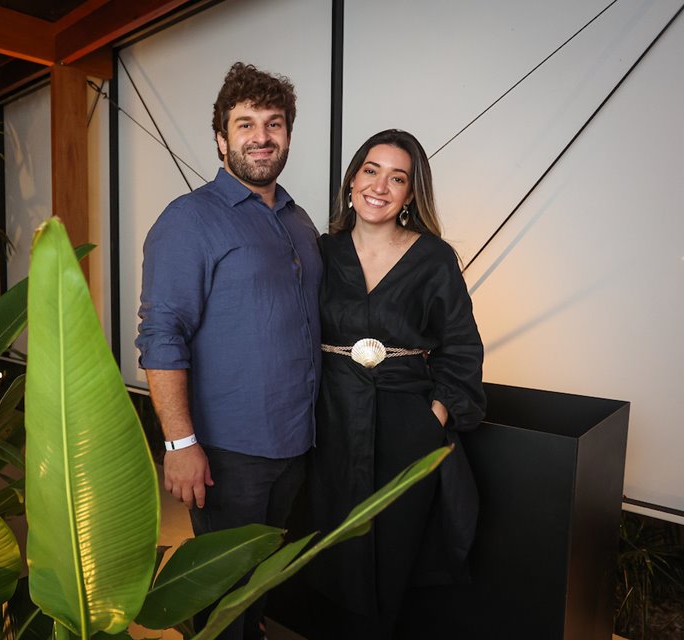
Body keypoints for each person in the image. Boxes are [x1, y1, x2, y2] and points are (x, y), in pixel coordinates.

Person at [135, 62, 322, 640]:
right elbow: (161, 334)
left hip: (297, 443)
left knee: (261, 582)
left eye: (274, 123)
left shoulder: (299, 220)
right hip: (226, 449)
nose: (261, 136)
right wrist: (179, 442)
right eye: (246, 124)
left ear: (288, 135)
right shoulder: (189, 220)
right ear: (221, 139)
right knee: (220, 593)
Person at [306, 129, 485, 638]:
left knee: (393, 556)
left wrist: (436, 416)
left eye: (397, 177)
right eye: (371, 170)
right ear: (352, 181)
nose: (380, 186)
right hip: (328, 422)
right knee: (327, 551)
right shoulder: (320, 251)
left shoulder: (434, 258)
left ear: (410, 194)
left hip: (406, 425)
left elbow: (462, 347)